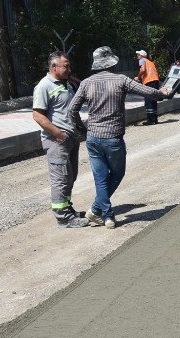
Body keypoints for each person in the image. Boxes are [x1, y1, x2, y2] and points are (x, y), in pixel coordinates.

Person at [67, 46, 169, 229]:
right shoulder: (120, 80)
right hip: (113, 138)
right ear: (112, 62)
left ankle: (104, 214)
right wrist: (161, 93)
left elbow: (71, 110)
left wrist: (83, 129)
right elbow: (146, 91)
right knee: (117, 173)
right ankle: (103, 214)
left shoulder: (86, 83)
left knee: (100, 178)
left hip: (92, 138)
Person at [32, 51, 88, 229]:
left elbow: (71, 110)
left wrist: (80, 129)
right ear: (54, 67)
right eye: (66, 66)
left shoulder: (66, 84)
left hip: (71, 139)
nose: (69, 69)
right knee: (60, 179)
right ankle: (63, 218)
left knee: (70, 177)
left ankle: (67, 209)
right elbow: (38, 116)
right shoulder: (44, 86)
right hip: (57, 141)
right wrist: (58, 134)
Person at [135, 49, 161, 125]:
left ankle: (150, 120)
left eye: (138, 55)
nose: (137, 56)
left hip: (149, 81)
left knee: (148, 100)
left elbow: (142, 70)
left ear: (142, 56)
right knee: (153, 100)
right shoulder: (151, 62)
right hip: (155, 81)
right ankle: (155, 119)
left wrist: (138, 77)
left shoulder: (142, 60)